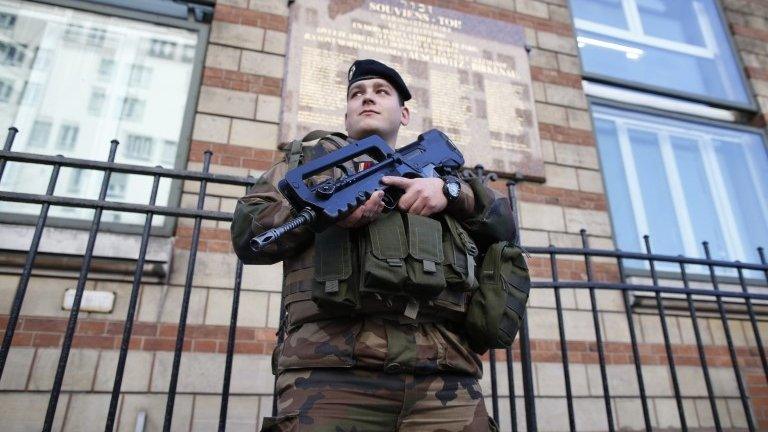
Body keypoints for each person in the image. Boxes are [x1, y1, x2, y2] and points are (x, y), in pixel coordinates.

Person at [231, 59, 517, 431]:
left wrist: (450, 193)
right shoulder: (308, 168)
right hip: (331, 378)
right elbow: (247, 236)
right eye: (357, 94)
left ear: (404, 114)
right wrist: (323, 213)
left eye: (381, 92)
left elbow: (505, 227)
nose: (367, 99)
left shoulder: (445, 176)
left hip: (446, 380)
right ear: (347, 113)